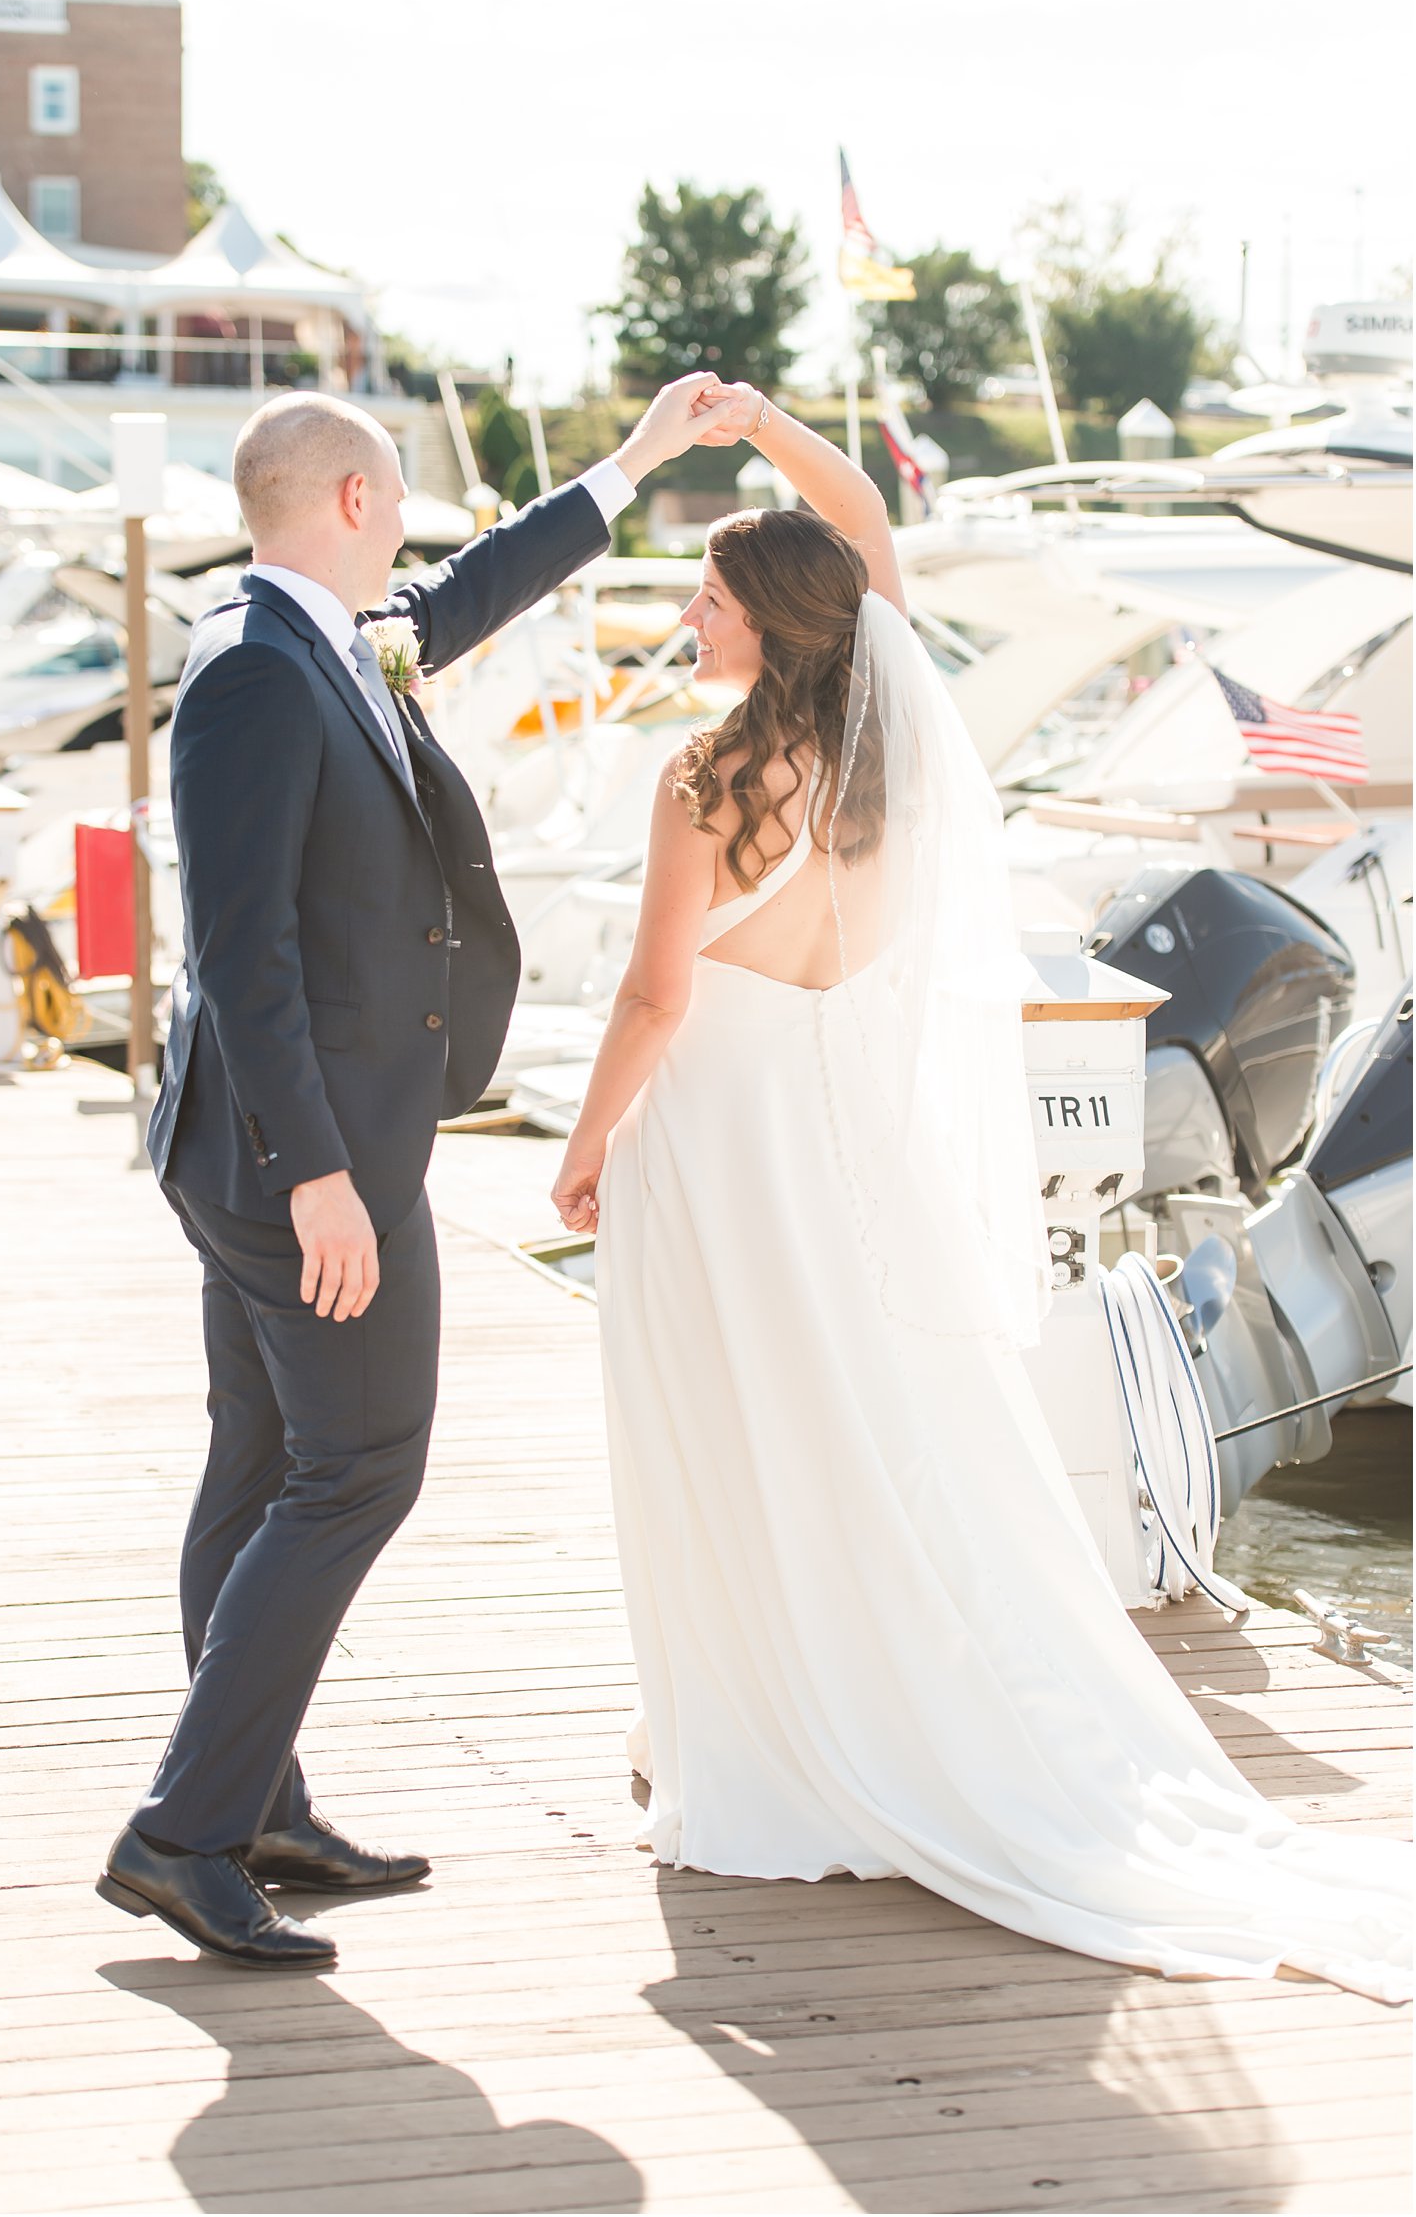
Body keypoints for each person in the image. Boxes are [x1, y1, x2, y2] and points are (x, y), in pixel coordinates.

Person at [551, 380, 1411, 2004]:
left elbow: (655, 1000)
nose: (689, 614)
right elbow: (867, 540)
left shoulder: (705, 783)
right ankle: (818, 1705)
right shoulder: (883, 773)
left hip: (714, 1142)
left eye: (712, 596)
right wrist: (772, 435)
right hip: (829, 1152)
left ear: (766, 623)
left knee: (718, 1420)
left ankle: (738, 1730)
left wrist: (585, 1142)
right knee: (844, 1418)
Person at [99, 379, 731, 1970]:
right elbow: (241, 953)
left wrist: (633, 464)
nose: (417, 557)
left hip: (286, 1147)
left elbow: (478, 590)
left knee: (262, 1472)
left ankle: (249, 1808)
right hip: (295, 1160)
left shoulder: (336, 637)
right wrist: (318, 1176)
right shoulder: (256, 669)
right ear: (357, 505)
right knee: (359, 1466)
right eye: (403, 511)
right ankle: (182, 1834)